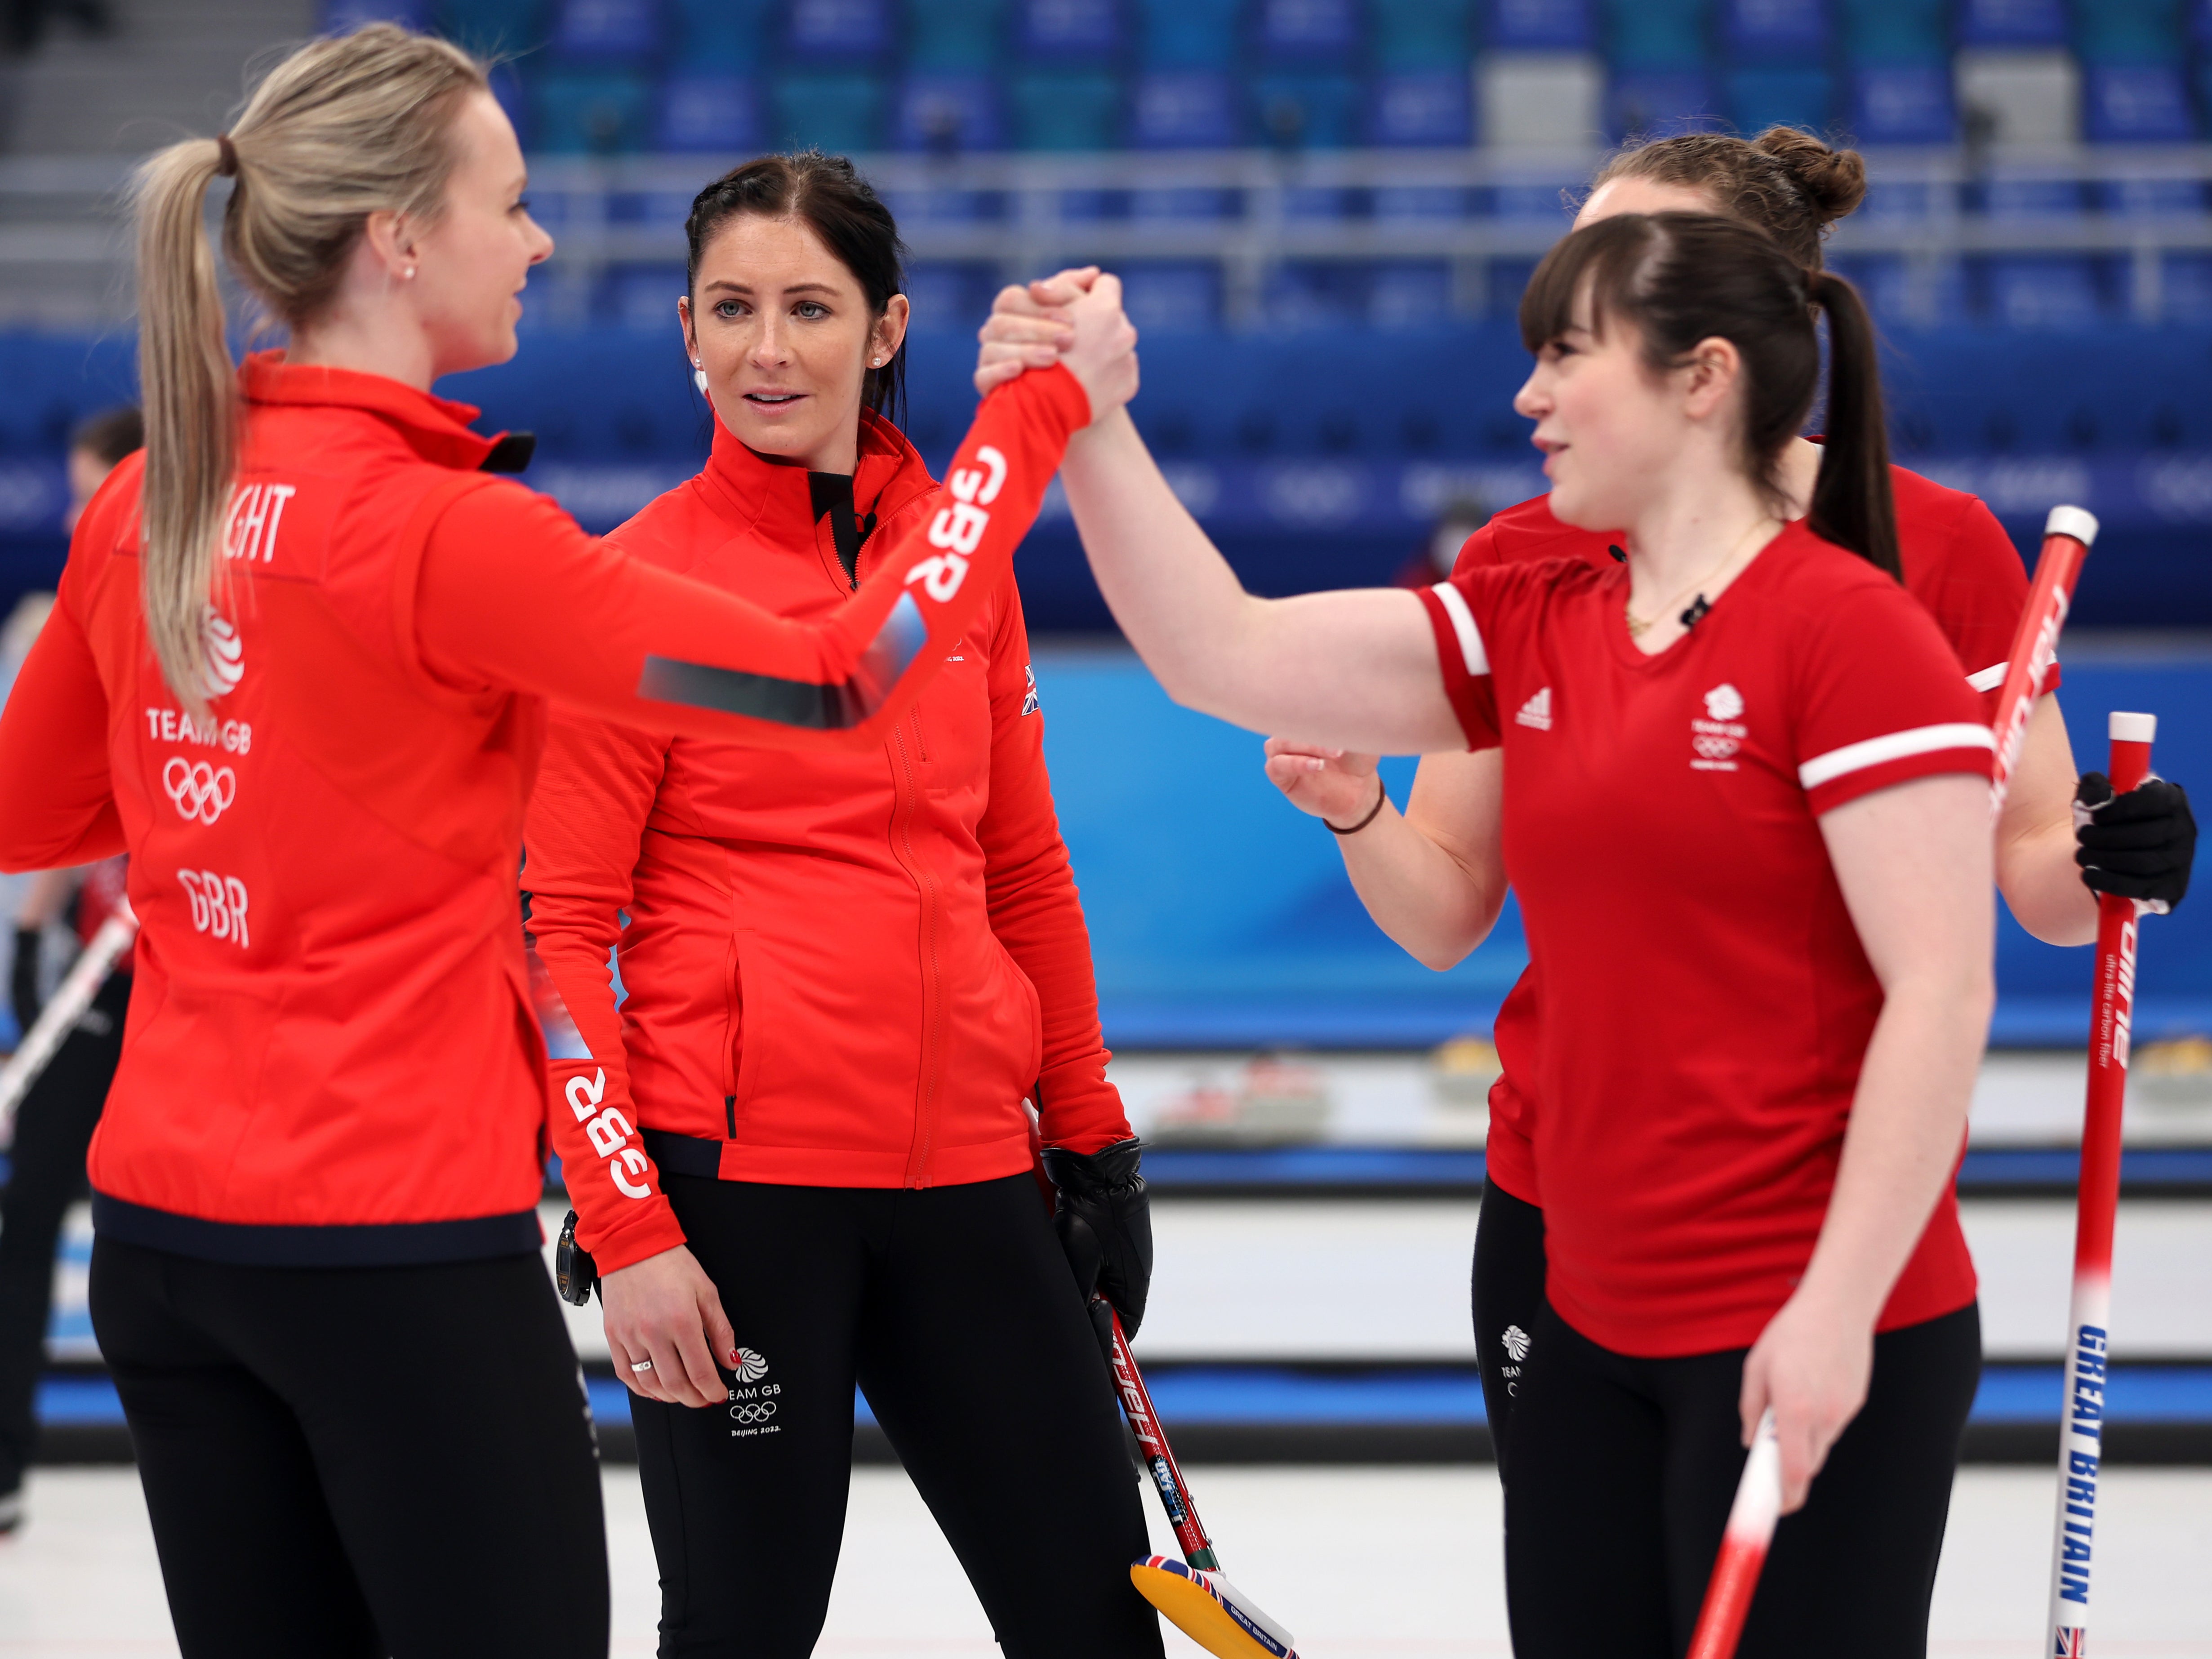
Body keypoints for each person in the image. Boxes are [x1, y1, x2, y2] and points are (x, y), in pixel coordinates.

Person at [0, 22, 1132, 1657]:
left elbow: (44, 815)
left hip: (172, 1248)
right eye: (509, 202)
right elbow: (845, 676)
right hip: (390, 1242)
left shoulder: (154, 496)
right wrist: (1028, 421)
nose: (535, 240)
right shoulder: (457, 538)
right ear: (399, 239)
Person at [986, 218, 2002, 1655]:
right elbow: (1221, 650)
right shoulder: (1540, 605)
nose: (1526, 397)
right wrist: (1090, 418)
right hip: (1589, 1314)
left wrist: (1836, 1310)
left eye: (1567, 354)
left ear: (1701, 379)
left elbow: (1942, 989)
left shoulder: (1849, 631)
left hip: (1806, 1316)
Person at [1253, 128, 2199, 1466]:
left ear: (1729, 330)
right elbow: (1448, 910)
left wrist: (2113, 847)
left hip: (1831, 1196)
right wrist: (1357, 810)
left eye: (1628, 266)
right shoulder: (1528, 553)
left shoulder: (1932, 546)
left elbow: (2036, 873)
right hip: (1565, 1198)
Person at [522, 151, 1161, 1659]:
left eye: (809, 307)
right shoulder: (634, 586)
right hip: (740, 1206)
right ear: (684, 332)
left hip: (968, 1180)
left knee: (1096, 1625)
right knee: (737, 1635)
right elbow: (554, 934)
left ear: (885, 330)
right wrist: (623, 1221)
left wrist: (1092, 1134)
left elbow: (1021, 870)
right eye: (730, 309)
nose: (766, 349)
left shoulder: (966, 567)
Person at [0, 404, 143, 1535]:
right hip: (96, 970)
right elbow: (47, 810)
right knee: (31, 1202)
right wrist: (31, 941)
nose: (82, 509)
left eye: (102, 485)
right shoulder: (73, 609)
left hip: (183, 954)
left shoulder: (191, 593)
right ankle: (4, 1459)